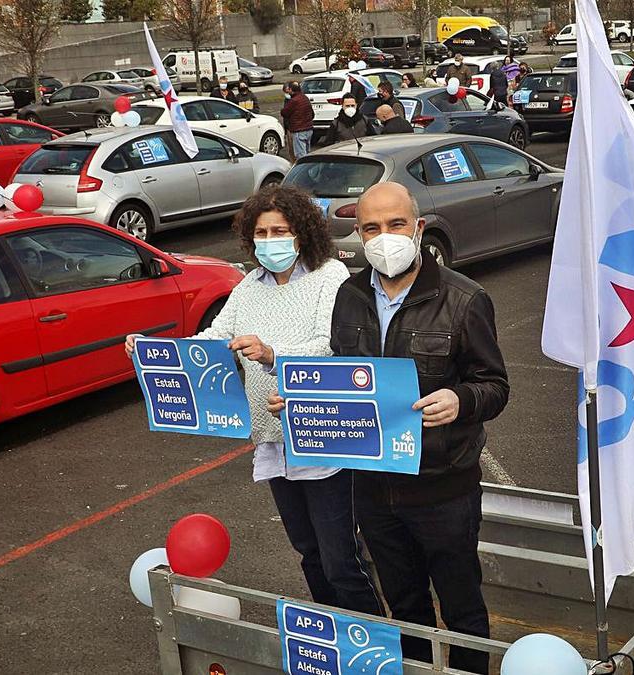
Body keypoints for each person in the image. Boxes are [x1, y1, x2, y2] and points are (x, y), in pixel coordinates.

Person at [271, 182, 509, 674]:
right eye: (372, 227)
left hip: (443, 486)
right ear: (358, 234)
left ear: (418, 227)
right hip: (374, 486)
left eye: (396, 224)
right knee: (405, 607)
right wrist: (301, 401)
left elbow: (494, 385)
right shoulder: (350, 295)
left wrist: (461, 399)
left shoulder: (465, 299)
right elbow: (342, 373)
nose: (385, 237)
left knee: (462, 608)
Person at [126, 186, 382, 618]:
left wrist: (272, 353)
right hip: (272, 438)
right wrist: (155, 349)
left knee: (342, 559)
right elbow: (215, 339)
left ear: (301, 232)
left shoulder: (330, 278)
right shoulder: (247, 287)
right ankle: (339, 637)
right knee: (309, 552)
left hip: (323, 435)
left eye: (279, 230)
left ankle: (374, 643)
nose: (270, 240)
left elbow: (330, 346)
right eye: (261, 232)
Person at [281, 81, 315, 159]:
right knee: (306, 153)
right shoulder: (305, 97)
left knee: (301, 155)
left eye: (288, 89)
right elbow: (312, 114)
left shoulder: (293, 101)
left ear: (291, 90)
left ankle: (304, 170)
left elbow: (284, 112)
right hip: (308, 129)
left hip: (299, 130)